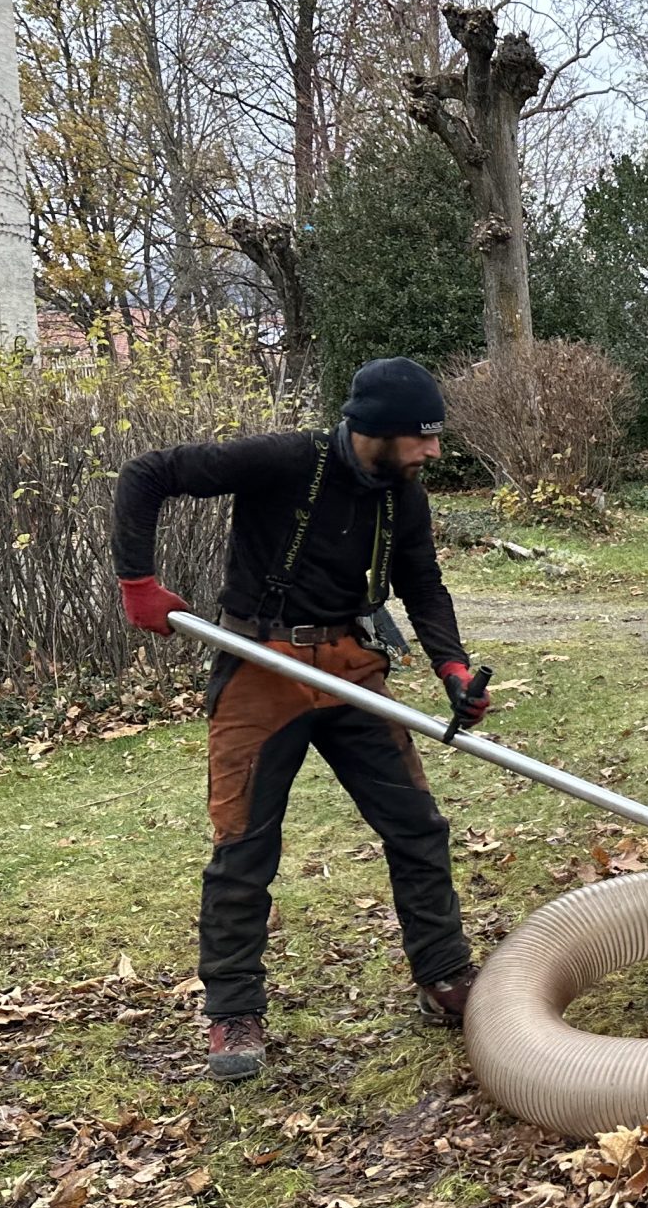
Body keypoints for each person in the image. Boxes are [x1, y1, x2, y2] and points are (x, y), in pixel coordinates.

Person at [112, 357, 494, 1081]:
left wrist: (451, 666)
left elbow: (423, 583)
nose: (433, 452)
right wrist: (138, 580)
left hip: (353, 668)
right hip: (263, 666)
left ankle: (443, 977)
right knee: (244, 843)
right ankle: (232, 1012)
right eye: (422, 438)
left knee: (417, 826)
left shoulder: (402, 495)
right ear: (376, 431)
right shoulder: (287, 460)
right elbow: (146, 474)